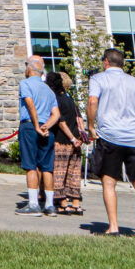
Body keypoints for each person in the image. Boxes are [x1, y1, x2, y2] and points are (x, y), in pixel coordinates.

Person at [85, 48, 135, 236]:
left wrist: (91, 125)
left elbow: (93, 101)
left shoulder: (98, 79)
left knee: (109, 182)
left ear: (106, 62)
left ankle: (113, 226)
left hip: (111, 136)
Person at [16, 56, 60, 217]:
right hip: (46, 128)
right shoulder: (48, 90)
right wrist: (46, 125)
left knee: (31, 165)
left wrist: (36, 125)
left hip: (30, 126)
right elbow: (56, 113)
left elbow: (30, 104)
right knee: (47, 167)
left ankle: (33, 203)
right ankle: (49, 205)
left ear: (29, 68)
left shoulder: (25, 84)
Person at [45, 71, 84, 216]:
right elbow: (80, 119)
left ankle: (62, 203)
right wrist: (79, 136)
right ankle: (76, 204)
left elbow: (60, 122)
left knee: (59, 173)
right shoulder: (70, 100)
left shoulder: (57, 100)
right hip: (76, 141)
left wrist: (72, 138)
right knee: (73, 174)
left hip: (62, 140)